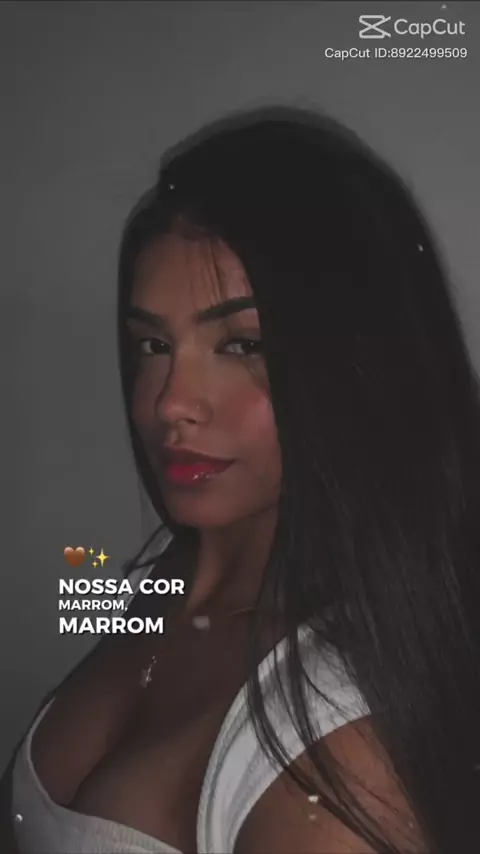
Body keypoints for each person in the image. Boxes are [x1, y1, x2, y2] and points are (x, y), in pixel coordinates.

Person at [2, 105, 480, 854]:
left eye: (241, 345)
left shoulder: (343, 750)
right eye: (153, 345)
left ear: (360, 365)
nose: (170, 403)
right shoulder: (170, 567)